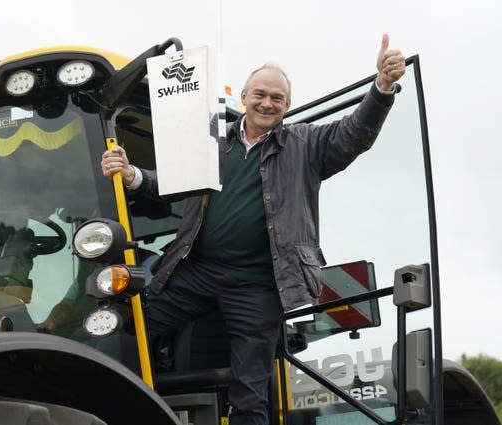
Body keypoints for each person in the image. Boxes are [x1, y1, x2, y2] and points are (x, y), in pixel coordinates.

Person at [101, 34, 405, 425]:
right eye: (260, 94)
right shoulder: (213, 144)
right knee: (129, 330)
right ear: (244, 97)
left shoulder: (305, 144)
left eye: (277, 98)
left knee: (250, 391)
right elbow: (173, 183)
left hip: (258, 284)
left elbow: (353, 135)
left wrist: (381, 89)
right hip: (197, 270)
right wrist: (132, 175)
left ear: (287, 106)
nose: (267, 103)